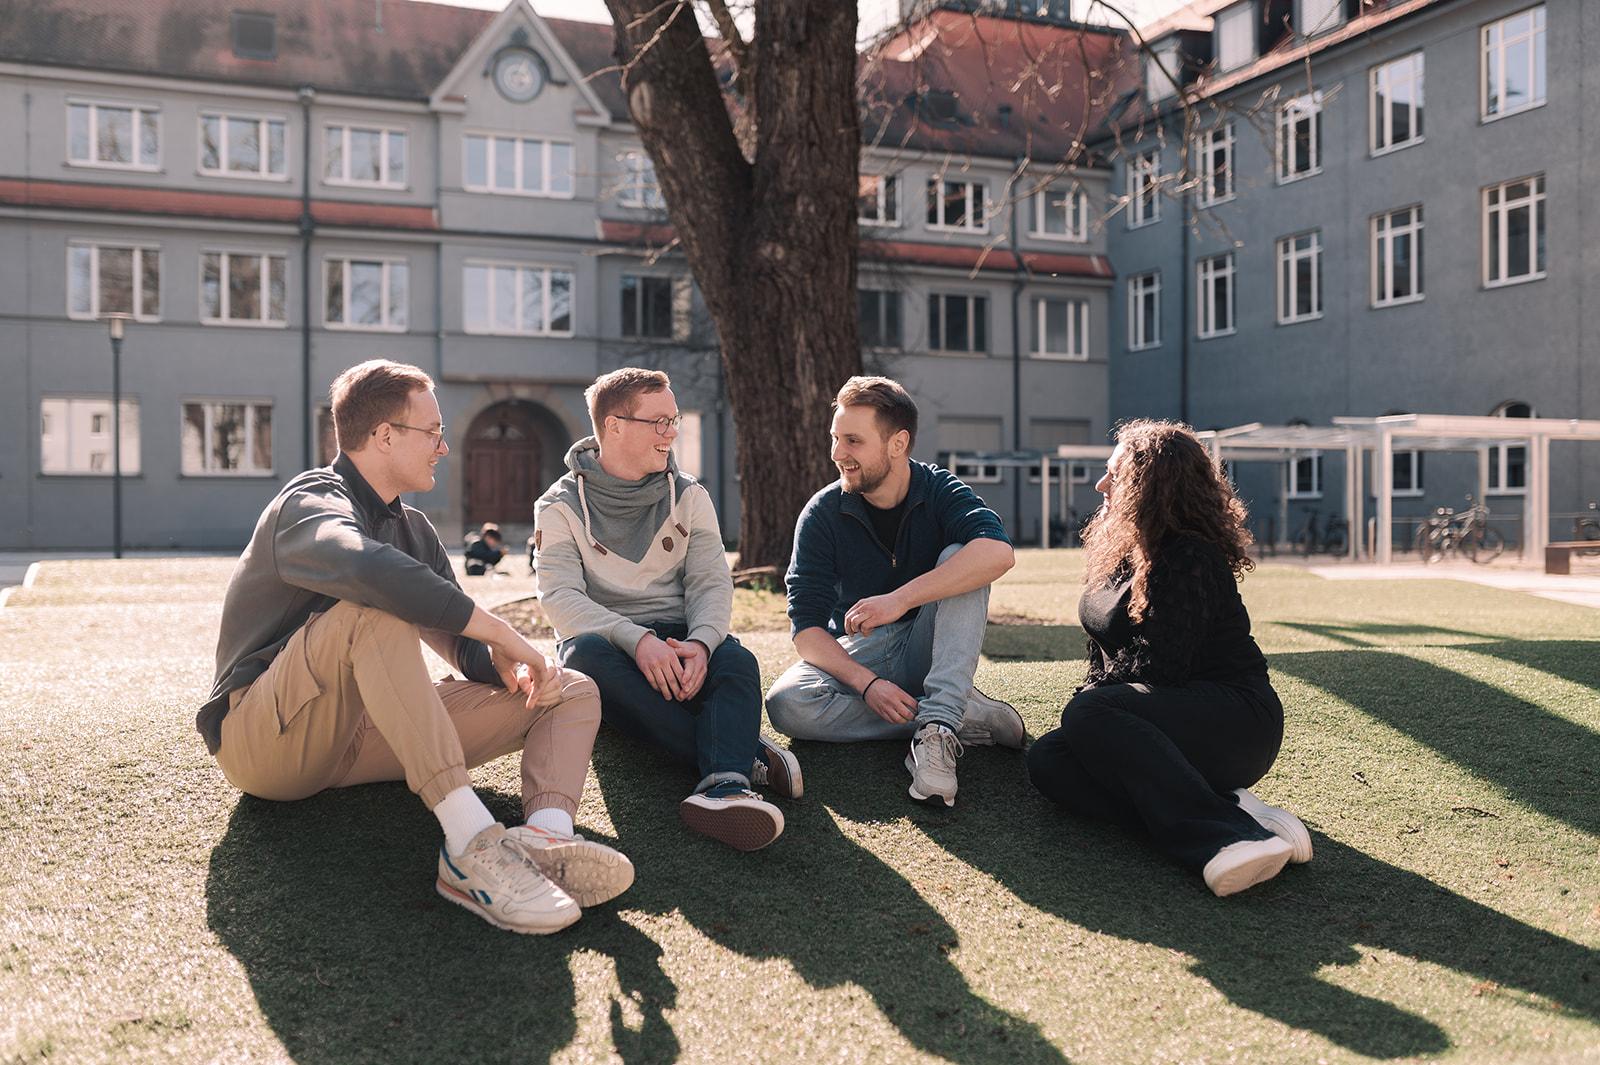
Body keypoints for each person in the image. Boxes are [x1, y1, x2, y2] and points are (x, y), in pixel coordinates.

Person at [197, 359, 633, 935]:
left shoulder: (414, 529)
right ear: (383, 437)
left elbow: (458, 642)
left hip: (367, 733)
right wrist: (502, 632)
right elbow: (364, 569)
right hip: (269, 742)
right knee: (371, 614)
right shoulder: (308, 502)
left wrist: (501, 663)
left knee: (570, 688)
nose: (444, 447)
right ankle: (470, 848)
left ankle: (544, 838)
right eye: (433, 431)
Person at [1025, 419, 1313, 897]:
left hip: (1235, 722)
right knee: (1050, 761)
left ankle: (1228, 840)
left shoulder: (1191, 557)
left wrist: (1091, 709)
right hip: (1162, 722)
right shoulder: (1123, 553)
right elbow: (1106, 654)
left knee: (1087, 713)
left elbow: (1161, 667)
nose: (1101, 484)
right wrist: (1091, 714)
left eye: (1114, 474)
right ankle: (1227, 808)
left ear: (1149, 484)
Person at [534, 368, 798, 851]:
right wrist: (638, 642)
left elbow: (710, 581)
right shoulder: (559, 505)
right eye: (659, 422)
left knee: (736, 660)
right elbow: (560, 601)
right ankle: (740, 757)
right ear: (613, 426)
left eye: (672, 420)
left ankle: (725, 787)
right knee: (583, 662)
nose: (671, 433)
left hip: (679, 636)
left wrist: (701, 643)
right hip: (608, 645)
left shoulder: (691, 495)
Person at [765, 376, 1026, 808]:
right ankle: (952, 714)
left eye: (852, 441)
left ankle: (939, 729)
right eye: (834, 438)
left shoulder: (940, 490)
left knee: (965, 556)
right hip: (862, 649)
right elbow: (806, 630)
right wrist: (868, 686)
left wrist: (900, 599)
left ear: (897, 443)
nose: (837, 454)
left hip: (929, 644)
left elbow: (998, 554)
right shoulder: (822, 513)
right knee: (787, 705)